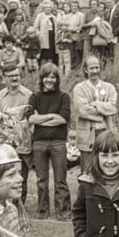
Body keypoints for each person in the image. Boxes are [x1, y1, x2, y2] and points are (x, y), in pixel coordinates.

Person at [27, 63, 71, 220]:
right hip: (39, 143)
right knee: (41, 180)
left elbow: (63, 118)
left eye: (53, 77)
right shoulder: (35, 97)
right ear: (42, 78)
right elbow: (30, 117)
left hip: (58, 142)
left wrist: (41, 119)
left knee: (60, 179)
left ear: (57, 79)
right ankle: (42, 211)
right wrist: (51, 116)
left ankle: (63, 211)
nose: (50, 80)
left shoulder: (64, 97)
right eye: (47, 77)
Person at [0, 63, 33, 205]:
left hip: (23, 141)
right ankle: (4, 202)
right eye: (11, 76)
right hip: (4, 141)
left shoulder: (28, 95)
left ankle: (20, 205)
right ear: (4, 78)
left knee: (22, 175)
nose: (15, 78)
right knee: (3, 174)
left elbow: (30, 119)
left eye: (16, 75)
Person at [73, 55, 118, 176]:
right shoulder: (79, 88)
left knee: (106, 167)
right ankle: (86, 194)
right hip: (87, 134)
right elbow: (82, 111)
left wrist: (96, 104)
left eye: (97, 67)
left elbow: (113, 107)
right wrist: (103, 112)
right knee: (87, 170)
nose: (95, 71)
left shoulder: (109, 87)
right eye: (91, 68)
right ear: (86, 70)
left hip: (106, 131)